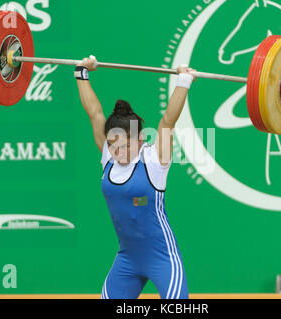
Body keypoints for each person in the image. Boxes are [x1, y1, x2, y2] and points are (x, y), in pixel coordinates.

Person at [75, 55, 196, 299]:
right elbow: (95, 113)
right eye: (112, 145)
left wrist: (184, 80)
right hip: (127, 259)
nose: (117, 152)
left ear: (140, 140)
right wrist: (81, 73)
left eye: (125, 145)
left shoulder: (154, 159)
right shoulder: (108, 158)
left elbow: (168, 121)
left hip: (163, 258)